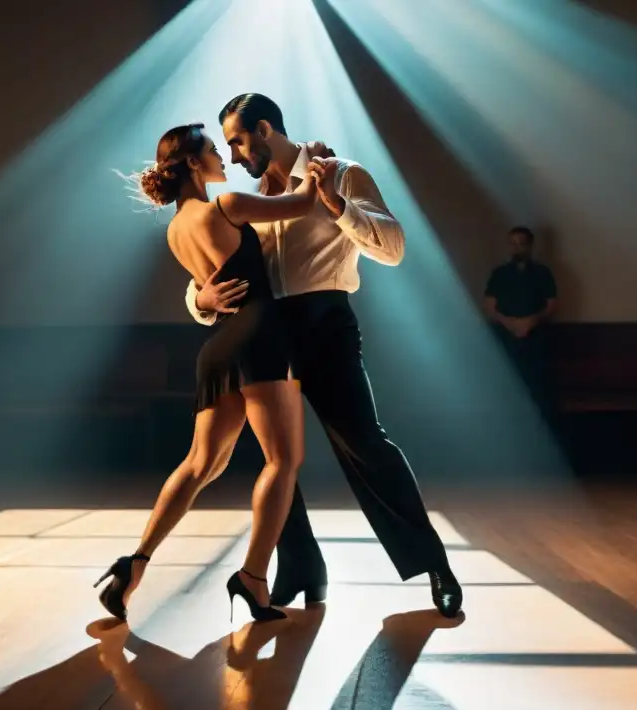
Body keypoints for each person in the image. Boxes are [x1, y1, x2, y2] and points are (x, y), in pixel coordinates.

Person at [186, 94, 462, 618]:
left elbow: (394, 247)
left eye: (238, 142)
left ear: (265, 129)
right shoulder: (244, 204)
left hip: (327, 325)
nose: (235, 156)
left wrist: (338, 207)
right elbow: (205, 276)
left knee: (366, 444)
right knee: (272, 461)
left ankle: (435, 566)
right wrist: (199, 300)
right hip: (265, 334)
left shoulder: (341, 173)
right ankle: (300, 569)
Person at [95, 122, 321, 624]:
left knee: (201, 464)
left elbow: (208, 287)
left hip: (218, 345)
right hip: (259, 337)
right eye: (215, 150)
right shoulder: (227, 206)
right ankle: (254, 578)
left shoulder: (176, 229)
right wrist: (317, 162)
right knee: (282, 461)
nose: (223, 157)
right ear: (194, 162)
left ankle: (135, 563)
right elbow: (303, 203)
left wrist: (201, 297)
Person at [483, 226, 557, 413]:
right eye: (513, 244)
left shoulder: (542, 273)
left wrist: (531, 321)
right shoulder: (500, 273)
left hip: (536, 335)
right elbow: (490, 306)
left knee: (537, 384)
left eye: (521, 244)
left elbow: (551, 305)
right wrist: (510, 323)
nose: (517, 248)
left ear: (530, 246)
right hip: (506, 335)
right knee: (507, 380)